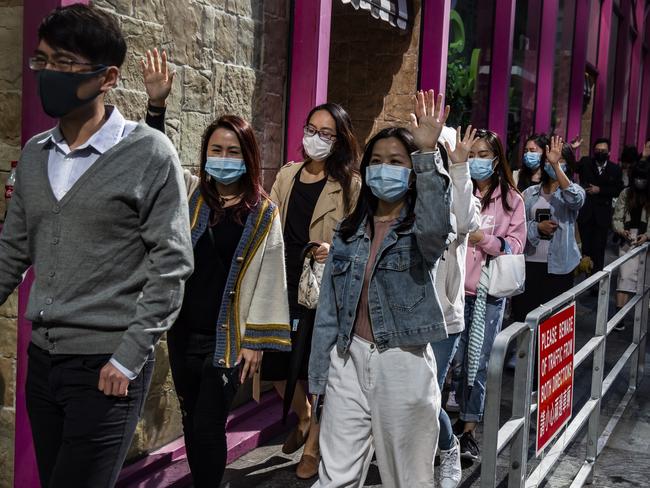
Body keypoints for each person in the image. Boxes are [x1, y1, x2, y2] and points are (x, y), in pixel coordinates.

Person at [0, 5, 194, 487]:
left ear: (107, 77)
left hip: (107, 365)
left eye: (64, 64)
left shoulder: (149, 152)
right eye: (42, 61)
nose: (48, 74)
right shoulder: (34, 154)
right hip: (44, 362)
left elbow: (171, 265)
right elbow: (12, 250)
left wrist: (129, 355)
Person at [308, 90, 453, 487]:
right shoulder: (348, 231)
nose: (383, 169)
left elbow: (438, 227)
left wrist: (426, 155)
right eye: (376, 161)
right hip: (347, 357)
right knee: (334, 477)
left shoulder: (419, 232)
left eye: (395, 162)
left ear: (410, 173)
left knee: (406, 478)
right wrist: (319, 374)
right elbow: (329, 309)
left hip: (402, 361)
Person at [168, 115, 291, 486]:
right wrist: (157, 108)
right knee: (191, 415)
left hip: (229, 340)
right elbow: (159, 166)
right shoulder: (190, 196)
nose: (223, 157)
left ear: (248, 157)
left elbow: (271, 276)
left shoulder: (263, 212)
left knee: (209, 422)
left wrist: (255, 341)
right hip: (183, 331)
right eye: (216, 150)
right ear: (205, 154)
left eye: (233, 151)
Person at [262, 103, 361, 478]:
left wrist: (333, 250)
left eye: (326, 133)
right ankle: (302, 416)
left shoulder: (351, 185)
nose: (315, 138)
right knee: (273, 361)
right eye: (311, 129)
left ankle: (313, 446)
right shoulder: (288, 176)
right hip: (282, 279)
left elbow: (359, 241)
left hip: (323, 287)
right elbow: (268, 220)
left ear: (339, 141)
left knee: (317, 367)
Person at [453, 129, 526, 461]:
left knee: (477, 364)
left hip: (486, 294)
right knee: (450, 362)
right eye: (472, 154)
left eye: (484, 155)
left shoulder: (511, 199)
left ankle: (468, 429)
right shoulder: (458, 189)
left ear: (496, 159)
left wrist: (483, 238)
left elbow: (515, 246)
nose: (477, 161)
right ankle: (443, 424)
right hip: (452, 288)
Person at [431, 126, 481, 488]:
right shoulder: (408, 184)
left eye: (441, 148)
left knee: (427, 395)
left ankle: (448, 447)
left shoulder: (462, 189)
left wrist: (460, 168)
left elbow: (465, 222)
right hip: (400, 311)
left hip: (443, 315)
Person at [512, 136, 585, 323]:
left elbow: (575, 200)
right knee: (524, 316)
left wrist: (556, 166)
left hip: (560, 267)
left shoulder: (573, 191)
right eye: (549, 160)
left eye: (561, 161)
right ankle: (524, 352)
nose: (553, 164)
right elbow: (517, 226)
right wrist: (536, 227)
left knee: (552, 321)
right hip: (529, 263)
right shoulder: (530, 193)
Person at [612, 160, 650, 331]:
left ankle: (642, 320)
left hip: (647, 241)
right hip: (629, 239)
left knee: (646, 281)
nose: (640, 181)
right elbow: (617, 218)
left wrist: (648, 235)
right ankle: (619, 317)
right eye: (637, 177)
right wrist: (621, 231)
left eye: (644, 178)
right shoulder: (626, 194)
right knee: (624, 277)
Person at [577, 138, 624, 273]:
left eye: (603, 151)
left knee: (599, 249)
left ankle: (596, 281)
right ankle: (585, 278)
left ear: (609, 152)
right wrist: (573, 148)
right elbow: (571, 166)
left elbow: (617, 190)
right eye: (597, 150)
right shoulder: (586, 163)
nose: (600, 153)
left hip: (602, 215)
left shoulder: (615, 169)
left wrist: (600, 190)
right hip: (585, 214)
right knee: (586, 249)